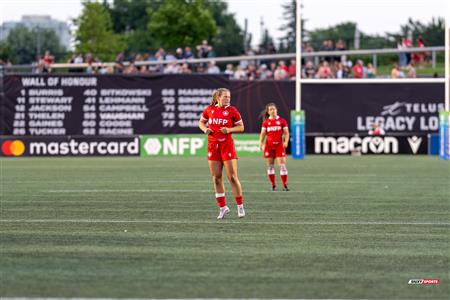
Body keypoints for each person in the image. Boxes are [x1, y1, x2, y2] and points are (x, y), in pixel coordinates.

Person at [198, 88, 246, 219]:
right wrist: (205, 129)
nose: (228, 99)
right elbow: (201, 122)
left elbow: (241, 127)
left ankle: (240, 206)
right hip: (213, 146)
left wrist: (229, 129)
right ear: (218, 97)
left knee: (232, 177)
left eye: (229, 97)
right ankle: (223, 207)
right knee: (216, 178)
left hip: (227, 146)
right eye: (225, 97)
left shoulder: (232, 111)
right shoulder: (209, 109)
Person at [259, 103, 290, 191]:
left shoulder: (282, 121)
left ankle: (285, 185)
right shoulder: (266, 122)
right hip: (269, 147)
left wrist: (286, 141)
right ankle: (273, 185)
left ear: (277, 110)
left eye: (274, 109)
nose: (273, 111)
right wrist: (260, 143)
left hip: (279, 146)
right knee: (270, 166)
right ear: (268, 112)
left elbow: (286, 133)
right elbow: (263, 134)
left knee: (282, 166)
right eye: (271, 109)